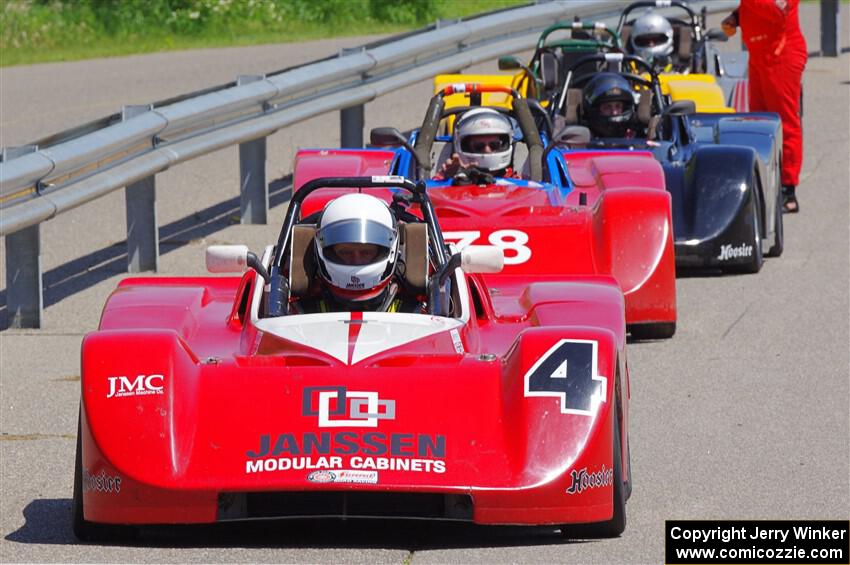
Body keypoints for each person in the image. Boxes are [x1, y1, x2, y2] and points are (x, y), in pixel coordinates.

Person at [722, 0, 807, 213]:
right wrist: (737, 17)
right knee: (758, 124)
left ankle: (788, 190)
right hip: (760, 56)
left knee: (784, 122)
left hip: (781, 55)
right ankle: (765, 185)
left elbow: (779, 9)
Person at [293, 193, 424, 313]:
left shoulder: (416, 311)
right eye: (345, 252)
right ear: (325, 250)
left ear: (390, 250)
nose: (356, 260)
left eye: (366, 252)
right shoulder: (298, 312)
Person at [435, 107, 517, 180]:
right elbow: (428, 191)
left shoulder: (514, 180)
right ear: (465, 146)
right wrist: (448, 178)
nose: (487, 150)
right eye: (479, 146)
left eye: (494, 145)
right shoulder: (451, 177)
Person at [581, 73, 640, 138]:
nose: (614, 112)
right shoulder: (581, 139)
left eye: (618, 106)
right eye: (607, 107)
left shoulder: (638, 138)